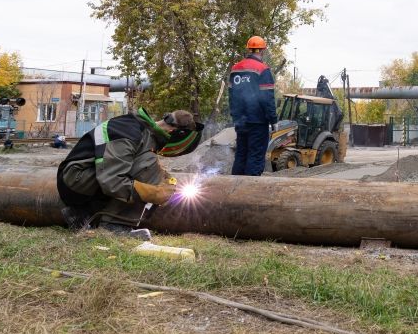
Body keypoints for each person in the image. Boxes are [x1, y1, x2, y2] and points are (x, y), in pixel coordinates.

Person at [57, 108, 203, 233]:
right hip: (76, 179)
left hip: (82, 180)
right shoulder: (130, 132)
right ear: (173, 132)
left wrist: (167, 179)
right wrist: (154, 192)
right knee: (151, 167)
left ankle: (81, 213)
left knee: (155, 170)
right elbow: (111, 180)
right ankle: (115, 225)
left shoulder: (142, 130)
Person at [229, 35, 278, 176]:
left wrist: (235, 116)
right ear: (262, 51)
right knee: (255, 156)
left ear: (249, 50)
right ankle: (249, 189)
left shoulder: (235, 69)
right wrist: (273, 120)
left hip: (241, 121)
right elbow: (267, 98)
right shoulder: (263, 69)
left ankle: (234, 190)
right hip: (258, 121)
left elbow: (231, 95)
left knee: (241, 154)